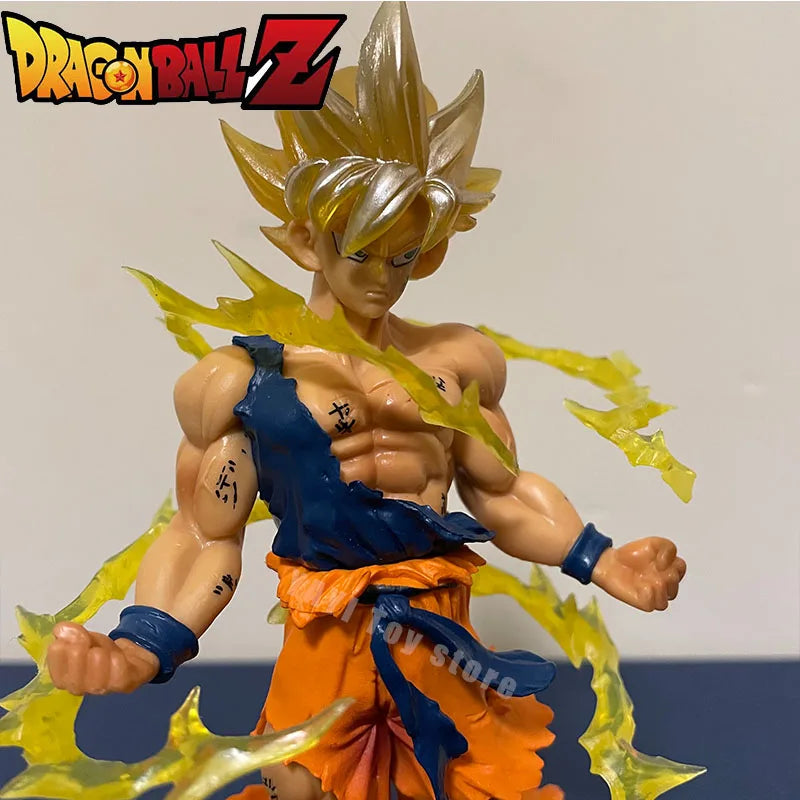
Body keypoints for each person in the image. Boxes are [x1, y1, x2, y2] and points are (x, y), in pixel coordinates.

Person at [45, 4, 686, 799]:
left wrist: (601, 558)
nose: (384, 277)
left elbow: (501, 492)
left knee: (477, 786)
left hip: (440, 632)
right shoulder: (241, 383)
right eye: (362, 251)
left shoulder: (458, 362)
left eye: (404, 255)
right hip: (327, 635)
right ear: (307, 240)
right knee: (299, 789)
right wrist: (142, 644)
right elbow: (204, 532)